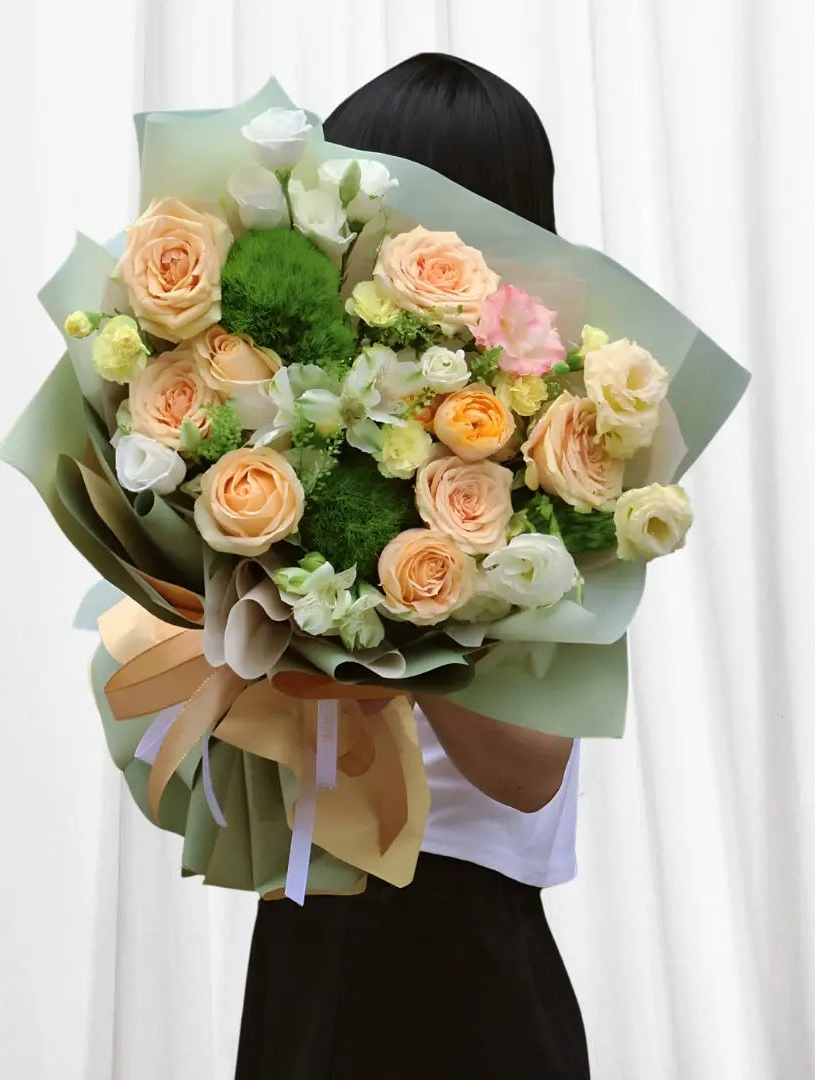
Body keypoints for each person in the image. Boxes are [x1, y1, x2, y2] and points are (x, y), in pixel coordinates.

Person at [235, 53, 589, 1080]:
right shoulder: (291, 428)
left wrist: (392, 583)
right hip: (304, 938)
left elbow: (527, 773)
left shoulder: (554, 459)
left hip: (462, 950)